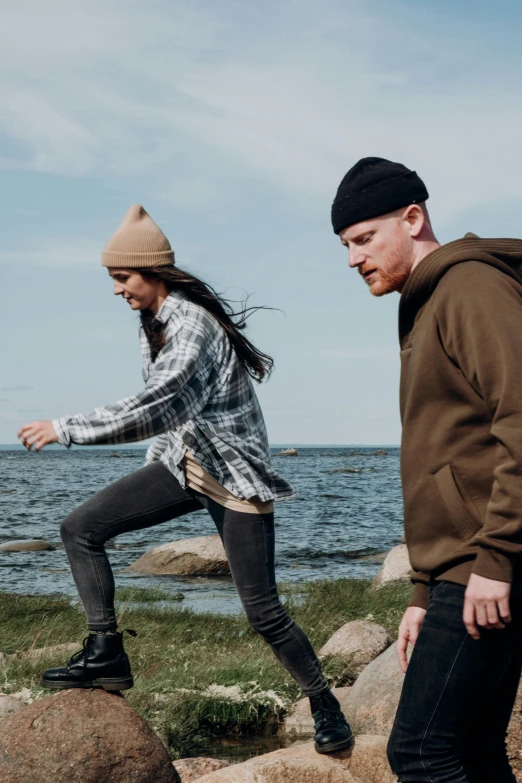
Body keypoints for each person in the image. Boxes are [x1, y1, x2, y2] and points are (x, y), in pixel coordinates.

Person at [18, 204, 352, 755]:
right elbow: (174, 417)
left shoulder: (192, 323)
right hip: (184, 466)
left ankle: (323, 701)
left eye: (122, 277)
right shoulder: (154, 321)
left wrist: (64, 427)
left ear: (152, 271)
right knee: (80, 528)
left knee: (263, 612)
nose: (117, 289)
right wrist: (157, 459)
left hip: (233, 479)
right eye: (113, 279)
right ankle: (106, 651)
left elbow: (158, 403)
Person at [331, 157, 522, 782]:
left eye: (364, 239)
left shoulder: (470, 287)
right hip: (462, 569)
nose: (353, 259)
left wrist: (496, 558)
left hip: (485, 566)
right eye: (345, 246)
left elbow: (520, 417)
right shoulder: (422, 300)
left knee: (419, 752)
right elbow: (446, 451)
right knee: (470, 748)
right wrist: (422, 588)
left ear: (413, 219)